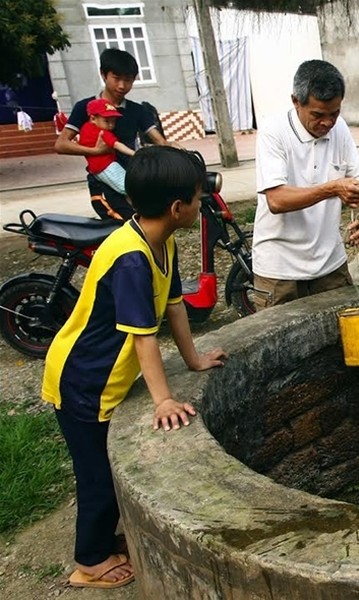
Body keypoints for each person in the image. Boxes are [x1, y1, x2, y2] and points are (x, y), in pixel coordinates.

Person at [41, 146, 228, 589]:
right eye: (198, 198)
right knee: (98, 477)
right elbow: (143, 334)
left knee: (104, 471)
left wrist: (194, 360)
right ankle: (89, 561)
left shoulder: (161, 241)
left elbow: (175, 307)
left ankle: (102, 542)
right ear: (177, 208)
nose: (201, 205)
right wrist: (163, 398)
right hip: (83, 382)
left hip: (102, 379)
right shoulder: (131, 258)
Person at [252, 59, 359, 310]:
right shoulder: (273, 132)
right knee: (281, 346)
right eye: (318, 115)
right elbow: (276, 200)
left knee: (340, 341)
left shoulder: (339, 129)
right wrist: (332, 188)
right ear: (296, 101)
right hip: (280, 271)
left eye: (335, 113)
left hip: (330, 265)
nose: (328, 123)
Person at [54, 48, 170, 220]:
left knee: (153, 223)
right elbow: (61, 144)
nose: (122, 86)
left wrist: (176, 150)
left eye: (128, 80)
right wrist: (96, 151)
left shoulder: (137, 110)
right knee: (127, 228)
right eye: (116, 79)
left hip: (134, 179)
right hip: (103, 185)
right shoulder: (85, 107)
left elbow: (160, 141)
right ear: (103, 75)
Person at [78, 98, 136, 195]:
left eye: (113, 121)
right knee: (128, 187)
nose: (111, 125)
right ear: (93, 118)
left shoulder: (84, 128)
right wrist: (134, 153)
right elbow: (117, 145)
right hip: (106, 166)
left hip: (95, 168)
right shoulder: (102, 133)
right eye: (107, 121)